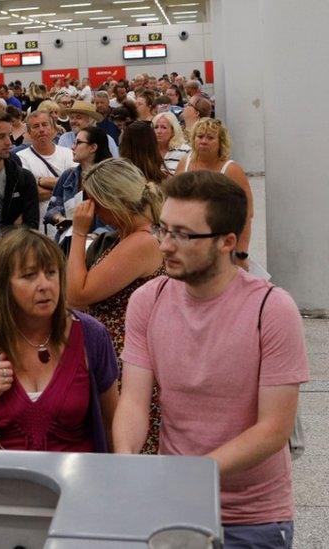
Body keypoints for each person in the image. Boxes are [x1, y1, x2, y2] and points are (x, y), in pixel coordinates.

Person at [114, 171, 308, 548]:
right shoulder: (147, 301)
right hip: (176, 506)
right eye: (162, 229)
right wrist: (126, 458)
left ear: (227, 242)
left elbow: (274, 428)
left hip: (252, 518)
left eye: (183, 234)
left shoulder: (271, 308)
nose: (165, 245)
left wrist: (192, 475)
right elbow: (134, 401)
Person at [0, 228, 119, 451]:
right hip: (6, 482)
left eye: (51, 273)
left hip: (77, 481)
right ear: (6, 285)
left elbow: (112, 422)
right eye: (29, 276)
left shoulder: (91, 335)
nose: (44, 285)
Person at [64, 158, 165, 453]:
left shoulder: (141, 242)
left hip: (125, 361)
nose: (92, 211)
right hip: (115, 355)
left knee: (122, 444)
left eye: (95, 202)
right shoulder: (129, 237)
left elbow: (77, 293)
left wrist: (79, 232)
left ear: (113, 200)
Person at [174, 118, 253, 266]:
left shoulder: (231, 170)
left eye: (210, 138)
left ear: (220, 142)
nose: (203, 141)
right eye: (200, 136)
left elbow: (247, 214)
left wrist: (241, 253)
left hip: (219, 245)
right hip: (185, 243)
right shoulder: (184, 163)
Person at [16, 111, 77, 233]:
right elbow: (29, 195)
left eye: (45, 124)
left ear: (53, 128)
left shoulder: (68, 154)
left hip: (68, 225)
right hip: (37, 228)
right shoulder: (20, 158)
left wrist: (41, 181)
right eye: (36, 126)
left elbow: (77, 184)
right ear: (29, 132)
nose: (41, 129)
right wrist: (64, 190)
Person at [45, 126, 115, 229]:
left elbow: (119, 219)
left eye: (78, 142)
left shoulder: (112, 179)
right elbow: (52, 208)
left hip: (101, 242)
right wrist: (59, 218)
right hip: (69, 240)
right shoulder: (68, 176)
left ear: (93, 147)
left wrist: (95, 236)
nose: (73, 147)